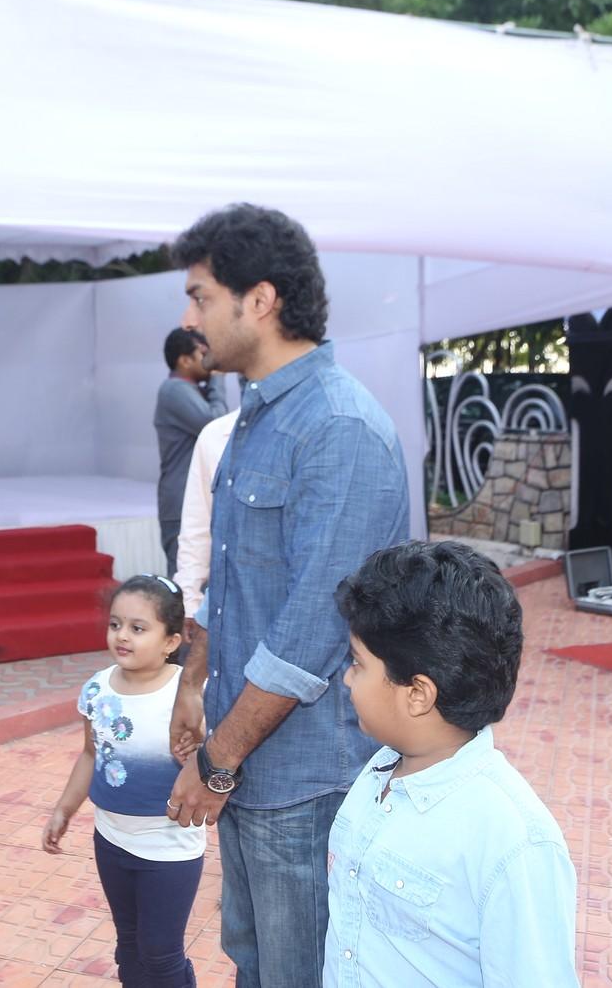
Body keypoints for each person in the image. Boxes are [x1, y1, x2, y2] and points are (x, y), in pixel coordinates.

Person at [163, 204, 410, 988]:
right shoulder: (252, 424)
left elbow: (311, 632)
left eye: (201, 295)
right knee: (257, 966)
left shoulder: (339, 428)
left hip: (307, 780)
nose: (189, 316)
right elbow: (236, 586)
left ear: (259, 300)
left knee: (302, 974)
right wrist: (194, 680)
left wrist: (217, 761)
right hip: (251, 768)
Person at [324, 540, 578, 987]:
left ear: (417, 694)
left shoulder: (513, 841)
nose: (346, 677)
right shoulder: (380, 770)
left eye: (358, 664)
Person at [43, 574, 205, 988]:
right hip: (111, 840)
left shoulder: (186, 693)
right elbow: (90, 754)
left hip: (169, 848)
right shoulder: (97, 688)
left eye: (138, 628)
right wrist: (64, 809)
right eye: (115, 624)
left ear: (171, 641)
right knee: (128, 946)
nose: (122, 636)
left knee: (161, 954)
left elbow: (212, 758)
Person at [155, 327, 228, 577]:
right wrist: (218, 379)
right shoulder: (174, 389)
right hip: (181, 505)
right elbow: (214, 423)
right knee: (185, 587)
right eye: (202, 352)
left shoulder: (191, 390)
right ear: (184, 360)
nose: (209, 359)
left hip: (188, 501)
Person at [173, 409, 238, 616]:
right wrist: (189, 604)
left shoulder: (324, 425)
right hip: (229, 609)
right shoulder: (216, 434)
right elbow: (197, 528)